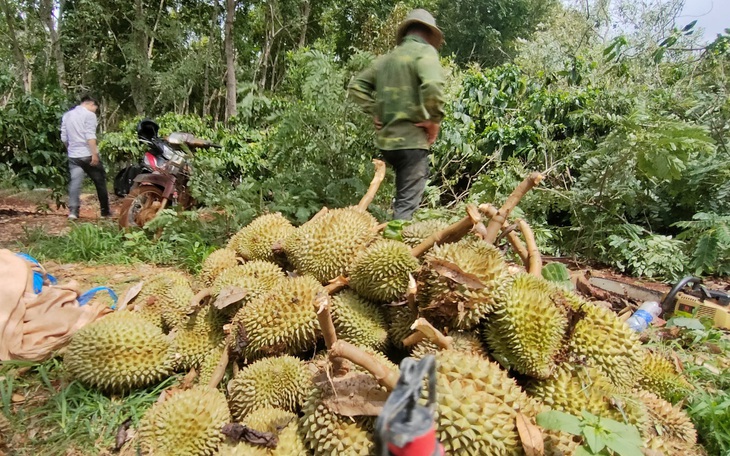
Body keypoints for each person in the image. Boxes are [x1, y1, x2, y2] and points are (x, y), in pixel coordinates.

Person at [348, 9, 445, 221]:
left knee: (397, 199)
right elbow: (434, 85)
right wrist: (433, 120)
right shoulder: (425, 53)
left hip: (387, 144)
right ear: (429, 35)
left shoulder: (386, 60)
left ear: (407, 32)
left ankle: (385, 239)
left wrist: (376, 110)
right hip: (412, 143)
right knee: (405, 208)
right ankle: (395, 246)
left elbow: (356, 86)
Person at [60, 95, 111, 220]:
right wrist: (94, 154)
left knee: (75, 183)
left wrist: (70, 149)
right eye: (96, 108)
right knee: (100, 181)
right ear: (91, 104)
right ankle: (105, 212)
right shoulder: (89, 115)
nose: (95, 111)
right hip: (87, 154)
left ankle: (73, 212)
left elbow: (64, 138)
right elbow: (90, 136)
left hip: (73, 155)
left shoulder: (67, 115)